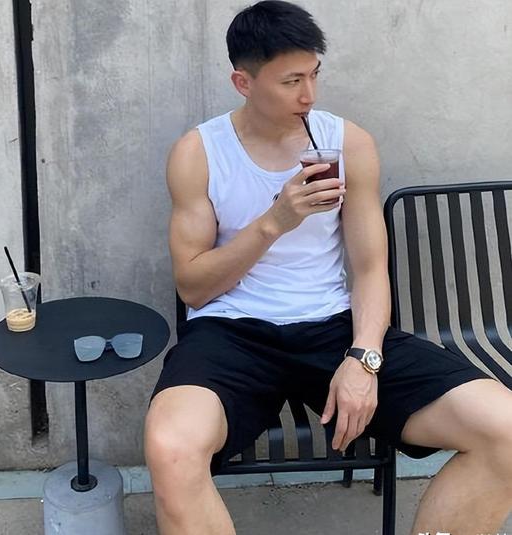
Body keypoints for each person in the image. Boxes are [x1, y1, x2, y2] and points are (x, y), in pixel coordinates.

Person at [144, 1, 512, 534]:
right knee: (169, 448)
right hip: (231, 332)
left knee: (505, 428)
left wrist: (364, 358)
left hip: (334, 327)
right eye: (291, 81)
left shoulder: (347, 143)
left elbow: (370, 268)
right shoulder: (198, 153)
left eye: (314, 74)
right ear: (243, 82)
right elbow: (193, 288)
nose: (309, 95)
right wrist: (275, 221)